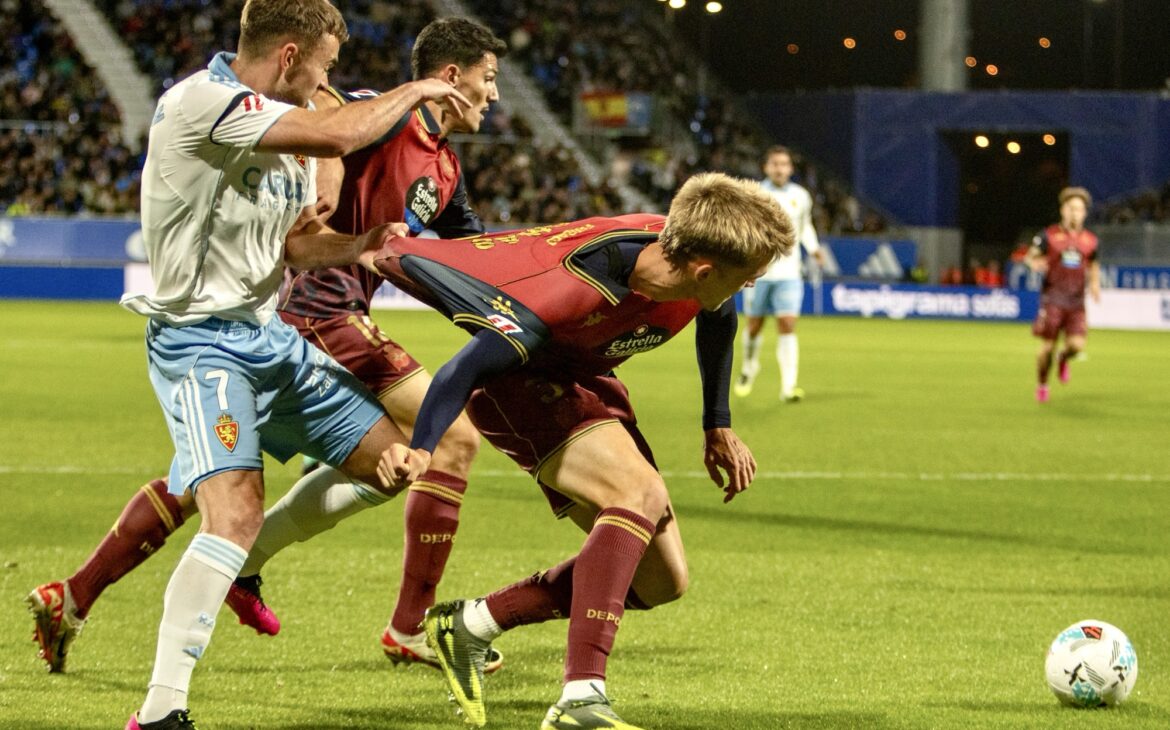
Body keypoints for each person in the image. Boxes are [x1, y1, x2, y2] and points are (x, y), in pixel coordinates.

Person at [26, 15, 506, 681]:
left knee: (198, 481)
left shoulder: (444, 166)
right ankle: (400, 625)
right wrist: (340, 153)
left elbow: (472, 251)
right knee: (447, 439)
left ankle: (74, 596)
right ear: (451, 77)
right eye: (489, 78)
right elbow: (329, 112)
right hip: (309, 313)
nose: (496, 94)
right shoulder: (369, 112)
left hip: (284, 323)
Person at [365, 172, 794, 729]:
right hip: (520, 389)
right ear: (706, 272)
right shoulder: (573, 292)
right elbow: (462, 370)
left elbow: (719, 318)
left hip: (589, 384)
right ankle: (581, 698)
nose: (752, 284)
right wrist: (422, 450)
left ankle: (472, 623)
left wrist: (718, 425)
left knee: (661, 581)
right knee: (638, 493)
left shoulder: (693, 266)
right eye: (749, 276)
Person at [733, 145, 823, 403]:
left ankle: (788, 387)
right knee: (754, 326)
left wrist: (814, 249)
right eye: (775, 164)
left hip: (790, 272)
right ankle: (749, 366)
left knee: (787, 324)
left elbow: (804, 226)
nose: (779, 169)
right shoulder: (754, 193)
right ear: (766, 167)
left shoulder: (801, 196)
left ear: (790, 168)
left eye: (784, 164)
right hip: (759, 272)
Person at [1027, 186, 1100, 403]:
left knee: (1076, 346)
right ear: (1063, 210)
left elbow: (1094, 263)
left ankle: (1063, 357)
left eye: (1079, 209)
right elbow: (1030, 256)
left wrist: (1094, 284)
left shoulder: (1090, 240)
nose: (1075, 213)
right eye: (1071, 208)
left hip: (1076, 302)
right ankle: (1042, 384)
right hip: (1053, 300)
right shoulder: (1049, 236)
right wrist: (1034, 262)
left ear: (1084, 213)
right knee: (1047, 348)